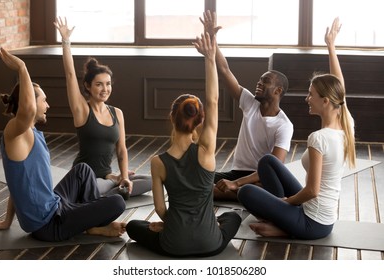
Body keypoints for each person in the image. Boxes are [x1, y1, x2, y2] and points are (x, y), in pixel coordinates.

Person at [237, 17, 356, 239]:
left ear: (326, 101)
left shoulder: (318, 138)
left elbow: (312, 191)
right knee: (267, 161)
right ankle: (283, 218)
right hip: (320, 216)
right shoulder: (346, 124)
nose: (307, 98)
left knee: (246, 192)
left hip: (312, 223)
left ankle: (283, 225)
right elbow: (338, 86)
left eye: (311, 94)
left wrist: (285, 202)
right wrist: (331, 46)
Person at [125, 32, 242, 257]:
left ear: (171, 117)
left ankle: (189, 228)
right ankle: (210, 224)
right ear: (200, 121)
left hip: (174, 243)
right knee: (233, 217)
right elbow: (213, 101)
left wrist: (170, 224)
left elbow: (160, 209)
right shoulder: (206, 151)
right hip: (210, 242)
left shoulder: (157, 162)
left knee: (133, 226)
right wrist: (209, 57)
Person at [0, 48, 126, 241]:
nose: (48, 105)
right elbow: (28, 108)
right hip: (47, 224)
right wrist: (22, 68)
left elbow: (18, 181)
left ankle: (92, 224)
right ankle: (93, 224)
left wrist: (7, 220)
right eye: (44, 101)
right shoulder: (15, 133)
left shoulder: (32, 133)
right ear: (30, 103)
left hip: (53, 206)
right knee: (117, 202)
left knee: (83, 170)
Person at [200, 11, 294, 201]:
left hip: (259, 179)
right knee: (196, 183)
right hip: (237, 173)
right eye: (259, 80)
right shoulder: (250, 103)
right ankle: (234, 193)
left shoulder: (283, 125)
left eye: (265, 81)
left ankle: (239, 193)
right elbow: (225, 70)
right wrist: (213, 38)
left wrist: (239, 184)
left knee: (202, 192)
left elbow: (275, 166)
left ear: (278, 91)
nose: (259, 83)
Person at [54, 17, 151, 199]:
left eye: (108, 84)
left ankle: (116, 185)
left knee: (151, 181)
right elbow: (69, 74)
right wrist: (66, 41)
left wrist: (123, 177)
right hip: (85, 178)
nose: (105, 89)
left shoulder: (117, 113)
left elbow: (121, 150)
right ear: (88, 86)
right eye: (99, 84)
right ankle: (111, 188)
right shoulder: (82, 110)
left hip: (107, 175)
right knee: (95, 188)